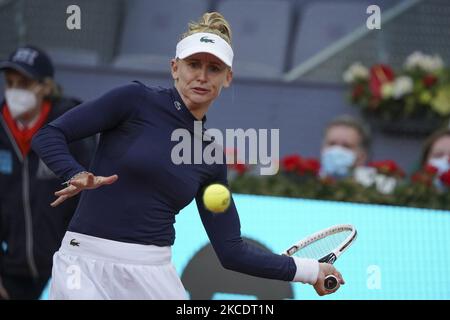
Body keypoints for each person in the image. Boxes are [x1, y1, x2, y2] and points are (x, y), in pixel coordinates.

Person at [31, 12, 344, 300]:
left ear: (228, 78)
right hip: (83, 265)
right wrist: (74, 172)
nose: (202, 76)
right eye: (194, 64)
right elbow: (48, 135)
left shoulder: (210, 157)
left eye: (214, 68)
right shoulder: (133, 100)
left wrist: (310, 271)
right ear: (174, 68)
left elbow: (231, 251)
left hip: (154, 274)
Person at [0, 45, 95, 299]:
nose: (14, 91)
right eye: (9, 83)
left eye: (24, 83)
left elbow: (90, 197)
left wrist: (80, 255)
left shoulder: (72, 128)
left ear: (45, 86)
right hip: (12, 267)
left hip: (69, 262)